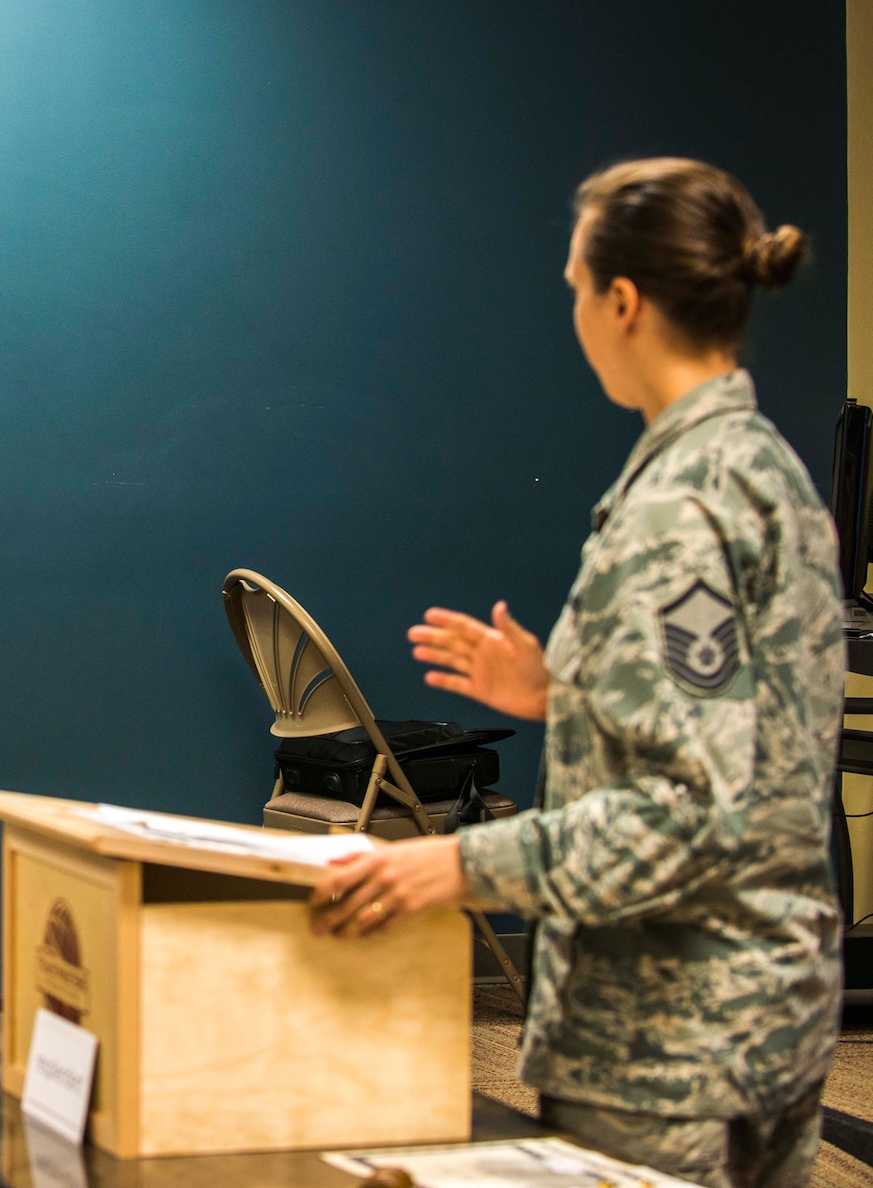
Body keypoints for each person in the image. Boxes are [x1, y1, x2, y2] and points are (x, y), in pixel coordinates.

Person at [309, 159, 845, 1188]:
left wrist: (452, 866)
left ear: (622, 301)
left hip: (663, 1034)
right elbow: (745, 731)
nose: (572, 315)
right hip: (767, 1006)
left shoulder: (676, 509)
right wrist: (567, 695)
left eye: (571, 289)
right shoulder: (760, 467)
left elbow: (685, 812)